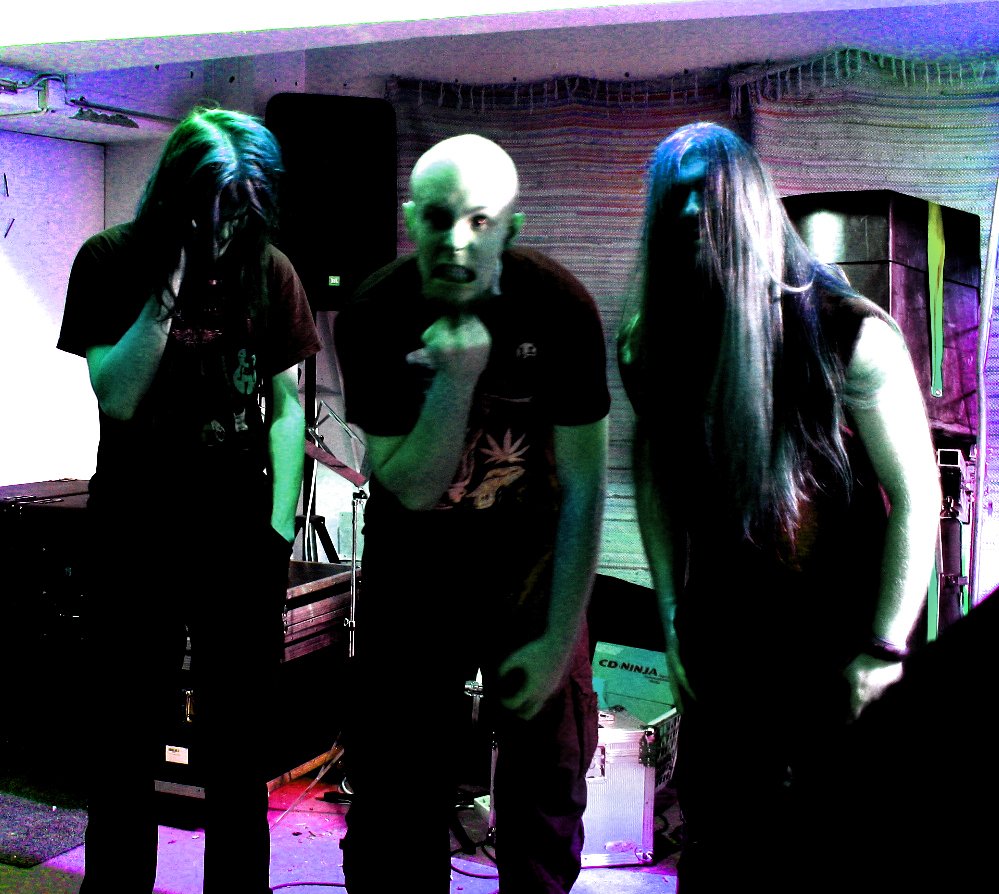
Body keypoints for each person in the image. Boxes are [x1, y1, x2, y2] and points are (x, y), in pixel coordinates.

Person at [617, 122, 942, 891]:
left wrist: (884, 649)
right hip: (725, 636)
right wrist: (669, 611)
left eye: (709, 201)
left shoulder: (848, 332)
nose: (692, 218)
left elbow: (917, 495)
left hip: (837, 635)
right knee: (722, 839)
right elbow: (655, 474)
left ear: (751, 208)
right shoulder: (651, 341)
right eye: (677, 204)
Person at [332, 133, 610, 893]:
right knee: (394, 798)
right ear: (410, 219)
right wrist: (456, 381)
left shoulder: (560, 307)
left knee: (547, 795)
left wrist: (557, 639)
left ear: (510, 229)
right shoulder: (374, 312)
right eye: (438, 217)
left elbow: (585, 485)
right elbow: (410, 487)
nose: (455, 240)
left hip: (532, 575)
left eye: (480, 221)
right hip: (414, 575)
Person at [57, 107, 321, 894]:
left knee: (237, 754)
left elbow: (287, 407)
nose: (227, 229)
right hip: (133, 532)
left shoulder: (270, 270)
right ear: (176, 194)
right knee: (124, 743)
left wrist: (276, 531)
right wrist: (170, 282)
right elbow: (117, 395)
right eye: (216, 211)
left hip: (237, 537)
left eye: (242, 212)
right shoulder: (109, 259)